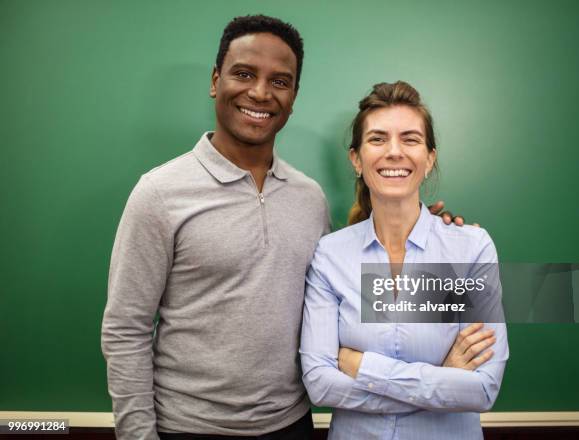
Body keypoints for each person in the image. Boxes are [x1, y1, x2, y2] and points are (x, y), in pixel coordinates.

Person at [101, 15, 470, 440]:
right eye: (243, 74)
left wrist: (431, 240)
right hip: (188, 428)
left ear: (293, 97)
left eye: (280, 81)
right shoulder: (159, 194)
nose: (260, 92)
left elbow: (358, 304)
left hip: (292, 424)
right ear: (215, 80)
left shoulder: (309, 198)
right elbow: (124, 329)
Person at [300, 81, 509, 439]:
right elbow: (320, 384)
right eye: (378, 139)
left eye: (410, 139)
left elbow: (482, 389)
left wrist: (361, 365)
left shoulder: (470, 250)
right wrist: (440, 382)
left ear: (429, 159)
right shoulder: (330, 256)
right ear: (356, 159)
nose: (394, 152)